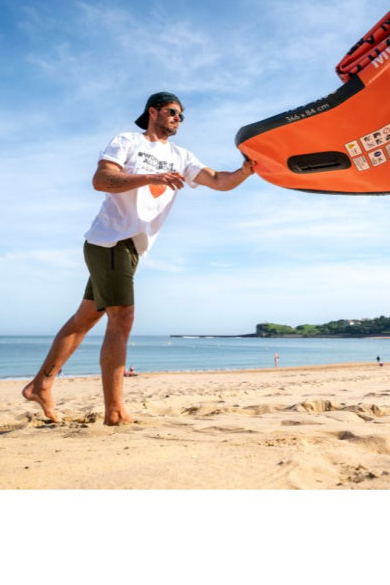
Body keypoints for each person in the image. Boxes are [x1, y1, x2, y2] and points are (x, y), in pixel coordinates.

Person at [22, 91, 255, 425]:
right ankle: (114, 410)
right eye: (173, 112)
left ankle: (41, 384)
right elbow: (101, 180)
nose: (178, 118)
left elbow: (219, 180)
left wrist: (247, 170)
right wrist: (151, 177)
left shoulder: (181, 155)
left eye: (182, 115)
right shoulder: (128, 141)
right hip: (110, 240)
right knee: (123, 317)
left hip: (132, 248)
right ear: (153, 111)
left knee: (85, 319)